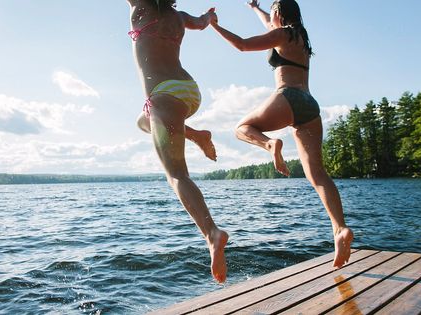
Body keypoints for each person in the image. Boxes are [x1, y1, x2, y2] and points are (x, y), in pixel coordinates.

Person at [210, 0, 353, 268]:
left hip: (287, 96)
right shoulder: (300, 36)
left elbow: (242, 44)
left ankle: (270, 144)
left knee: (242, 128)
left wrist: (215, 27)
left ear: (279, 13)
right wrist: (254, 7)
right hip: (309, 106)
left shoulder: (282, 32)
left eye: (272, 12)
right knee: (318, 175)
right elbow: (268, 22)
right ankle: (341, 229)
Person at [126, 0, 228, 283]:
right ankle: (196, 134)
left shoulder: (140, 10)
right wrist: (210, 16)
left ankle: (212, 234)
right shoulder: (179, 16)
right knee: (141, 120)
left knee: (177, 175)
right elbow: (202, 22)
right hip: (188, 90)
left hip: (164, 95)